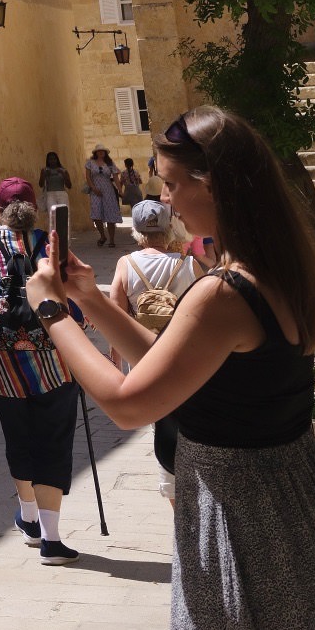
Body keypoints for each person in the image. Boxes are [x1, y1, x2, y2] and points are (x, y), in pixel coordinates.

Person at [26, 108, 315, 630]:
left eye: (173, 184)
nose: (166, 201)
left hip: (243, 517)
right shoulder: (282, 270)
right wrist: (89, 299)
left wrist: (50, 313)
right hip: (300, 500)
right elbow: (174, 368)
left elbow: (129, 403)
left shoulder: (222, 292)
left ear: (215, 186)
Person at [0, 177, 83, 564]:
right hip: (53, 363)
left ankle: (28, 518)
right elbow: (74, 297)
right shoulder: (52, 245)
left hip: (1, 364)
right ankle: (51, 539)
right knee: (53, 441)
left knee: (18, 436)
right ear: (35, 209)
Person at [106, 199, 203, 488]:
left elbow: (116, 320)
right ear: (169, 228)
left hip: (143, 359)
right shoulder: (188, 264)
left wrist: (117, 366)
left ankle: (171, 483)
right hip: (184, 357)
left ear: (136, 231)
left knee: (161, 424)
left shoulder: (126, 264)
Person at [86, 148, 123, 248]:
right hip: (95, 191)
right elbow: (88, 177)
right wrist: (93, 188)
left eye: (103, 151)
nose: (101, 152)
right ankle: (102, 236)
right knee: (96, 214)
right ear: (95, 153)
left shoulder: (110, 163)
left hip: (108, 191)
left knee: (110, 214)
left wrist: (120, 190)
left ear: (106, 153)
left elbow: (115, 177)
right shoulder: (90, 163)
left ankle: (112, 240)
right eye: (99, 151)